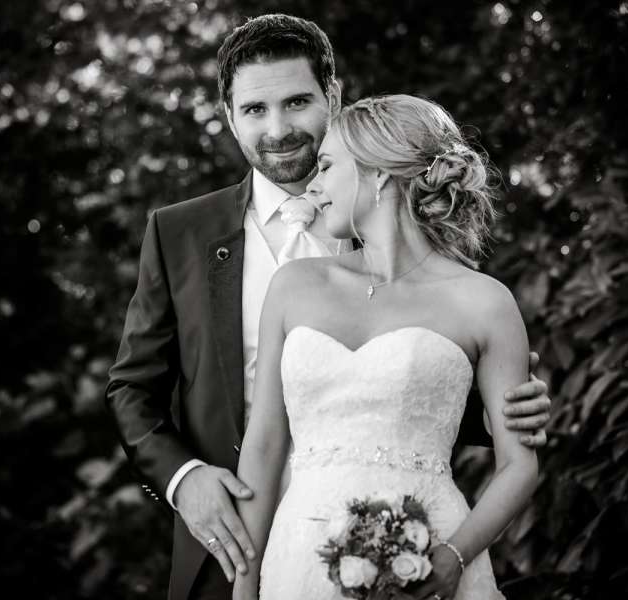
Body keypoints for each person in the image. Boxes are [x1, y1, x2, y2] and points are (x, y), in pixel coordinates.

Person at [105, 14, 551, 600]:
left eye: (296, 102)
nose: (278, 128)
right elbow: (132, 390)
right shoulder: (179, 233)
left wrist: (502, 411)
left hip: (409, 539)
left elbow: (423, 390)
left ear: (332, 97)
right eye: (255, 110)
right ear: (230, 117)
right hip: (238, 544)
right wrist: (183, 480)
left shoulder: (442, 273)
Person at [231, 94, 536, 600]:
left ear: (376, 172)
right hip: (299, 558)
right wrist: (244, 589)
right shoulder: (294, 285)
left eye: (327, 166)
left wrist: (453, 557)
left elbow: (519, 464)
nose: (313, 186)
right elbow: (263, 446)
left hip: (432, 553)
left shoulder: (484, 302)